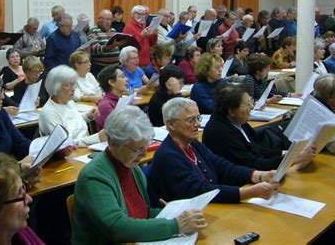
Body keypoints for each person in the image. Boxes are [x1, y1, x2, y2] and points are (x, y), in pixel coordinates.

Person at [72, 106, 208, 244]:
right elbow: (116, 227)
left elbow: (142, 212)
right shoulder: (94, 177)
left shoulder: (132, 167)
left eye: (145, 148)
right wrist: (175, 225)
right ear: (113, 143)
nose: (143, 155)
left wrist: (172, 214)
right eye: (137, 149)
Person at [147, 97, 279, 205]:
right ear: (171, 124)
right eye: (191, 120)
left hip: (211, 207)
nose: (198, 124)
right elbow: (199, 191)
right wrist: (247, 192)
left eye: (198, 118)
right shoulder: (168, 156)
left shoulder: (193, 144)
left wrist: (258, 175)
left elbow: (222, 166)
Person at [203, 85, 315, 170]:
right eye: (247, 104)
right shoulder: (220, 133)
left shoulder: (238, 121)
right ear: (231, 110)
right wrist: (292, 159)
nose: (252, 107)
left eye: (251, 102)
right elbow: (253, 164)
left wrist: (287, 153)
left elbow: (257, 149)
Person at [39, 65, 106, 147]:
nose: (73, 89)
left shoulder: (69, 102)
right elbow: (65, 144)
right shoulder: (49, 113)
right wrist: (96, 138)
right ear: (56, 87)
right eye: (68, 85)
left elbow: (72, 123)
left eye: (73, 84)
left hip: (85, 147)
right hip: (71, 155)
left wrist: (88, 116)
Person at [87, 9, 122, 77]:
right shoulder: (93, 31)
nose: (108, 22)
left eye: (110, 19)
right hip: (101, 68)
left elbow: (117, 47)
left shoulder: (113, 30)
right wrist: (112, 46)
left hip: (115, 67)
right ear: (100, 19)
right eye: (106, 19)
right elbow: (96, 50)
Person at [95, 65, 128, 130]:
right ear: (111, 82)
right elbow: (118, 131)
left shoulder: (121, 99)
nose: (126, 79)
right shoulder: (106, 106)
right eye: (122, 77)